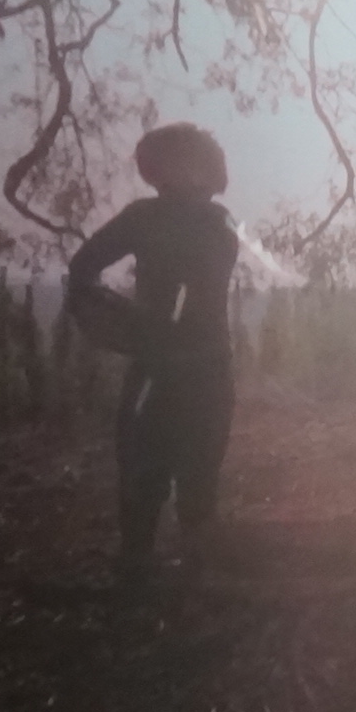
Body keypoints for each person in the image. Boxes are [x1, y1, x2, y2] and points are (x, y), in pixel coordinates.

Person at [68, 123, 239, 586]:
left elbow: (85, 268)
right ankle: (149, 571)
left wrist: (126, 324)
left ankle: (184, 575)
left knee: (185, 477)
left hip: (188, 369)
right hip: (178, 369)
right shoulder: (167, 219)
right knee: (158, 478)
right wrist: (120, 323)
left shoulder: (205, 223)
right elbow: (83, 269)